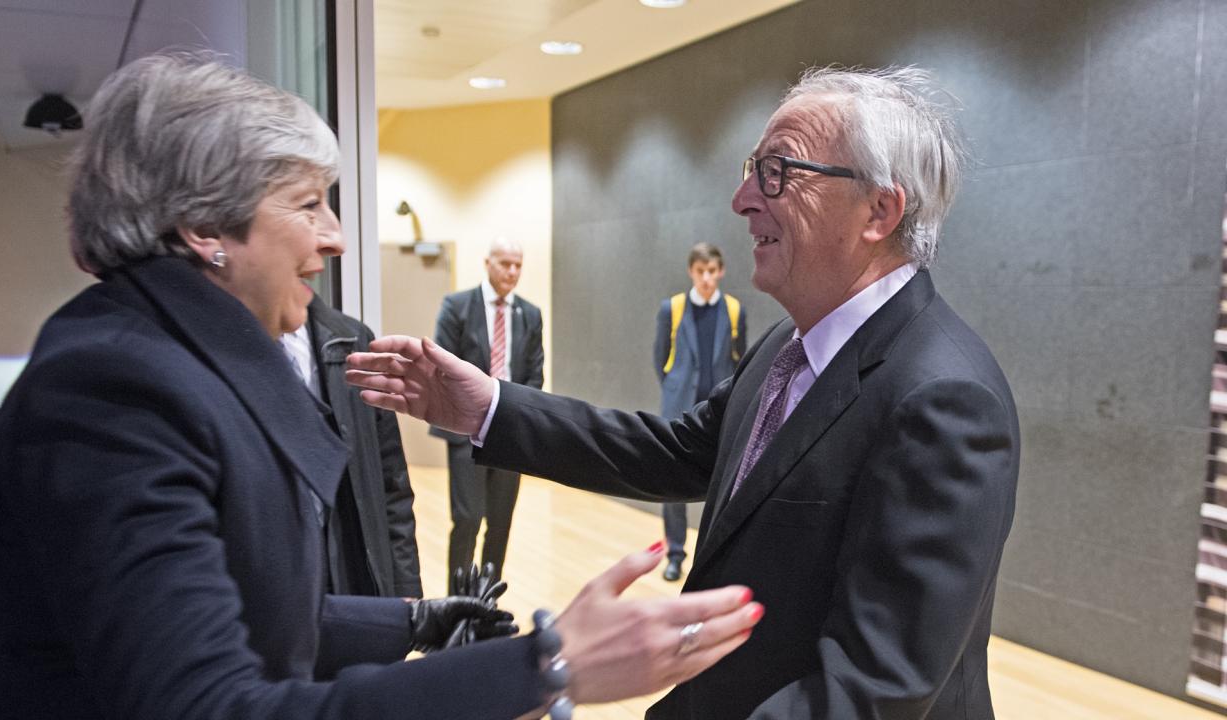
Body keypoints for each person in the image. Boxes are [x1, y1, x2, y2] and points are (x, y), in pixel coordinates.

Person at [0, 53, 763, 720]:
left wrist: (409, 620)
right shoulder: (115, 390)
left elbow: (246, 605)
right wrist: (548, 667)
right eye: (309, 204)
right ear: (203, 228)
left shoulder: (172, 363)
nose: (336, 237)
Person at [349, 65, 1020, 719]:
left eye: (777, 172)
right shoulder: (789, 345)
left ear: (879, 210)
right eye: (750, 170)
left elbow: (875, 688)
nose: (743, 199)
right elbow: (673, 451)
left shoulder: (945, 400)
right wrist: (488, 406)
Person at [281, 295, 423, 598]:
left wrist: (404, 589)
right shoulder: (214, 351)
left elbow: (392, 483)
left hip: (349, 576)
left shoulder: (354, 340)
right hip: (278, 594)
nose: (333, 245)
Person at [430, 238, 543, 592]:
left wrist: (518, 416)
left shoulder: (531, 314)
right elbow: (442, 367)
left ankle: (487, 599)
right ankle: (456, 602)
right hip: (465, 428)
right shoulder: (457, 306)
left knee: (500, 522)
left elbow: (534, 374)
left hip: (509, 431)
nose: (512, 271)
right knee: (467, 519)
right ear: (487, 262)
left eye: (518, 265)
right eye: (505, 263)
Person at [652, 243, 746, 582]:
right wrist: (676, 391)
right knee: (670, 482)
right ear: (691, 271)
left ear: (720, 271)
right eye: (700, 271)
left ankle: (712, 557)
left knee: (722, 482)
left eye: (712, 271)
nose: (706, 278)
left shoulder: (734, 310)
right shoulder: (672, 309)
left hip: (720, 411)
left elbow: (741, 361)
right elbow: (660, 360)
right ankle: (675, 554)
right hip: (679, 408)